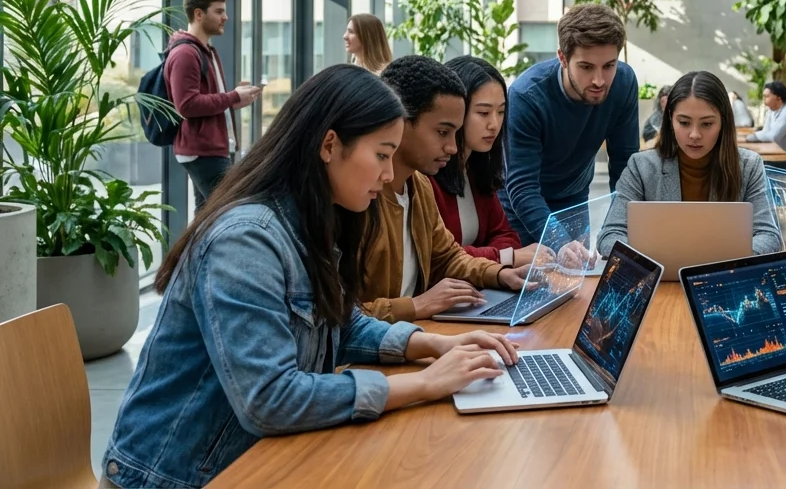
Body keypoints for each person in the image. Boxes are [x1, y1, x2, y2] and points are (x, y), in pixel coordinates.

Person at [101, 65, 519, 489]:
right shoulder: (246, 241)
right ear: (330, 145)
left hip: (252, 462)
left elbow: (339, 320)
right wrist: (424, 384)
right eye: (381, 155)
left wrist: (433, 344)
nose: (390, 174)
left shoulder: (311, 219)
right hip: (172, 479)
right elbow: (269, 399)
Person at [359, 56, 531, 323]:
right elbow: (341, 316)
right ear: (400, 122)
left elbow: (448, 256)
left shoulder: (420, 186)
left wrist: (499, 274)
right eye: (442, 132)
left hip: (411, 333)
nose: (453, 147)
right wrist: (416, 305)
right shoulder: (359, 197)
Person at [598, 71, 782, 256]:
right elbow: (609, 235)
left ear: (723, 122)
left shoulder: (748, 166)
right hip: (660, 278)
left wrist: (726, 262)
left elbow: (768, 235)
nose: (695, 134)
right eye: (684, 123)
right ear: (670, 120)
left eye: (707, 124)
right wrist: (651, 259)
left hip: (723, 278)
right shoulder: (641, 167)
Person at [501, 4, 640, 244]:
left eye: (609, 66)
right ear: (562, 58)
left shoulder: (624, 82)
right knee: (532, 279)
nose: (599, 80)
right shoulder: (526, 97)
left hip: (573, 199)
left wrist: (619, 232)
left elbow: (624, 169)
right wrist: (559, 242)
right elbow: (522, 187)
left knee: (578, 277)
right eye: (586, 67)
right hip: (520, 208)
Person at [430, 56, 541, 267]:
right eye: (483, 113)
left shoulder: (476, 168)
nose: (494, 124)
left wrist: (488, 254)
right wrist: (505, 257)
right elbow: (441, 256)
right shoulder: (428, 174)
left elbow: (506, 235)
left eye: (500, 112)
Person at [165, 0, 261, 206]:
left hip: (209, 148)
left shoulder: (204, 50)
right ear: (198, 14)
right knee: (232, 209)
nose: (225, 17)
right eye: (219, 12)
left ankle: (195, 243)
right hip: (202, 150)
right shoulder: (186, 53)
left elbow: (207, 101)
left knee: (206, 219)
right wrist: (231, 96)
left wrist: (235, 99)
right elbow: (186, 105)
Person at [744, 81, 786, 154]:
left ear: (778, 98)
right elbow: (765, 131)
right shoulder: (771, 111)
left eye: (767, 96)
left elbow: (773, 136)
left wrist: (755, 136)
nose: (764, 99)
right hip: (775, 152)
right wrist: (754, 136)